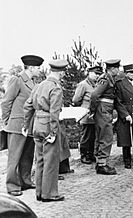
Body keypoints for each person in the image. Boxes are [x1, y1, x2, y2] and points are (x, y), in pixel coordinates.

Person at [23, 59, 68, 202]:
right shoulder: (55, 88)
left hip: (37, 124)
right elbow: (54, 112)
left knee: (40, 160)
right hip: (48, 124)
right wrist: (54, 132)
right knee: (51, 161)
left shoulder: (38, 85)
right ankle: (49, 194)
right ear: (60, 73)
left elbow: (28, 106)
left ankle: (39, 192)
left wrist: (25, 125)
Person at [1, 55, 44, 196]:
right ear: (30, 68)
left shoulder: (33, 82)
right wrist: (6, 121)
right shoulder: (17, 80)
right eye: (38, 67)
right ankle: (12, 185)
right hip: (17, 124)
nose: (39, 70)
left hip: (30, 124)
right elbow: (6, 101)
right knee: (14, 156)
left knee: (27, 155)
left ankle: (25, 181)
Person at [91, 59, 121, 175]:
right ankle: (102, 165)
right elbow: (94, 95)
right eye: (117, 68)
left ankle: (100, 163)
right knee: (106, 136)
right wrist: (93, 110)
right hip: (103, 109)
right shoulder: (105, 79)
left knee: (102, 135)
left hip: (105, 109)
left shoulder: (109, 78)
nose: (118, 70)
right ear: (112, 69)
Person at [72, 66, 102, 164]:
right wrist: (83, 108)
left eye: (99, 74)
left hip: (96, 115)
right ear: (89, 73)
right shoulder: (83, 84)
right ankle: (84, 155)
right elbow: (76, 100)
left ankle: (91, 154)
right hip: (86, 115)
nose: (97, 76)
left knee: (93, 136)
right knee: (86, 136)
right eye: (95, 73)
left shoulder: (98, 85)